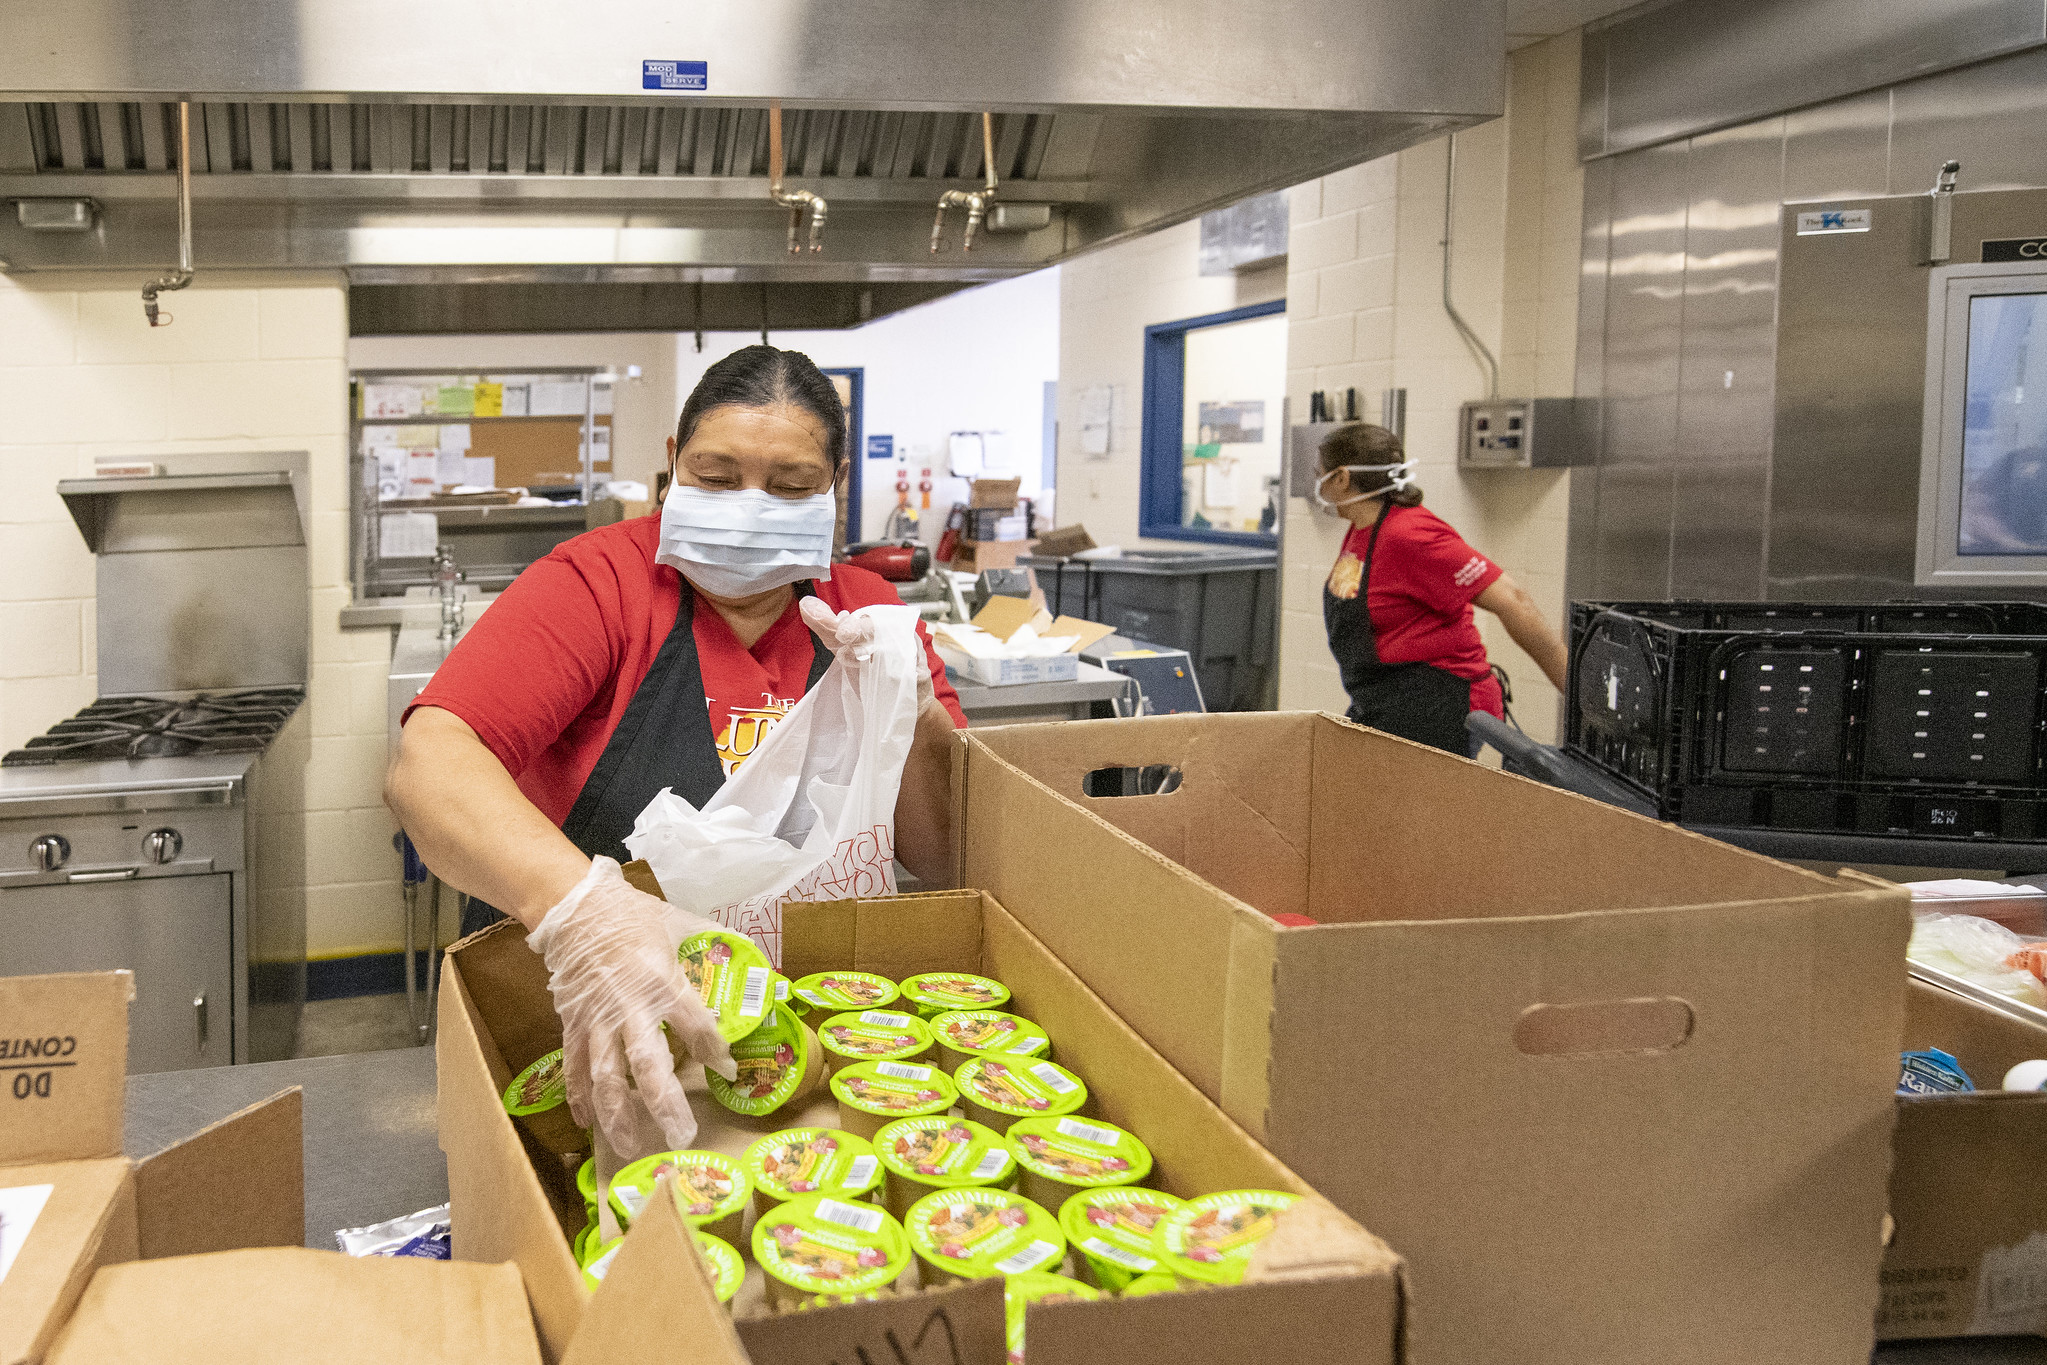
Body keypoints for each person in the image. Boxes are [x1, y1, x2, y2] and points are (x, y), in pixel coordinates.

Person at [386, 344, 967, 1156]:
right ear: (672, 466)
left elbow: (943, 855)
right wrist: (582, 913)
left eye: (792, 485)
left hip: (794, 1052)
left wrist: (908, 710)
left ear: (835, 487)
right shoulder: (601, 585)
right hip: (591, 1027)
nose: (750, 505)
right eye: (716, 477)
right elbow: (430, 762)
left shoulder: (865, 610)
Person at [1314, 423, 1568, 755]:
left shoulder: (1412, 534)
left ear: (1342, 478)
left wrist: (1579, 700)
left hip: (1438, 701)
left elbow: (1513, 600)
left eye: (1319, 473)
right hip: (1384, 698)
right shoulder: (1360, 530)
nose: (1315, 481)